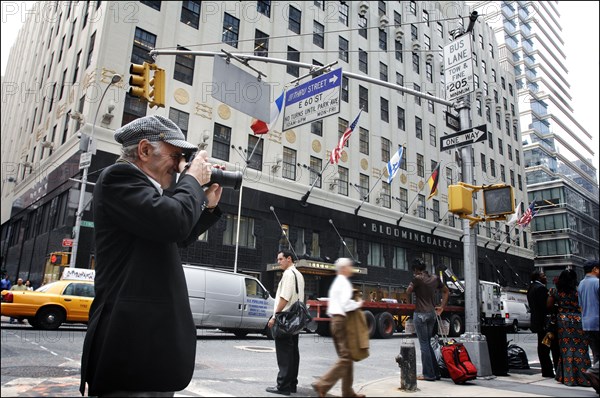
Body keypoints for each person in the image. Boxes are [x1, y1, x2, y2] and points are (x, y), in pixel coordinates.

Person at [79, 115, 223, 397]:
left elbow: (177, 235)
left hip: (148, 349)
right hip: (131, 347)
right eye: (176, 155)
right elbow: (173, 222)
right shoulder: (118, 179)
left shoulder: (150, 193)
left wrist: (206, 205)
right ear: (145, 150)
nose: (180, 165)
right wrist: (192, 180)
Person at [312, 258, 365, 398]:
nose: (350, 269)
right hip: (341, 321)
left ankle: (347, 391)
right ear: (343, 269)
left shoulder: (336, 282)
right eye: (349, 267)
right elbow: (345, 304)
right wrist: (358, 304)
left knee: (346, 357)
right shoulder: (344, 283)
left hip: (334, 321)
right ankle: (322, 384)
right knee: (347, 357)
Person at [266, 250, 305, 396]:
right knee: (293, 352)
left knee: (284, 354)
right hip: (295, 319)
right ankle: (292, 384)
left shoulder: (289, 274)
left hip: (285, 319)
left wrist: (274, 316)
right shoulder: (299, 274)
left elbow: (284, 298)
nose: (278, 262)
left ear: (289, 259)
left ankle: (283, 386)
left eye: (281, 259)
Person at [406, 259, 449, 382]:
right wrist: (442, 307)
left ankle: (428, 374)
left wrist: (413, 280)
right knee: (428, 344)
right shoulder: (435, 278)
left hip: (420, 314)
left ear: (415, 270)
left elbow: (408, 291)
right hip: (432, 314)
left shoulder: (417, 279)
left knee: (424, 344)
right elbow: (446, 291)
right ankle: (436, 373)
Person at [548, 269, 591, 387]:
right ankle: (584, 377)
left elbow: (549, 305)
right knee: (581, 349)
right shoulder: (578, 292)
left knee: (566, 349)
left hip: (563, 321)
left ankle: (568, 377)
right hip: (579, 321)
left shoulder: (555, 291)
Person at [527, 270, 560, 378]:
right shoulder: (540, 289)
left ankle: (546, 370)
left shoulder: (531, 288)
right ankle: (549, 370)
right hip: (544, 324)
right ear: (538, 278)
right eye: (543, 276)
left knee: (542, 347)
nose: (546, 277)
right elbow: (545, 307)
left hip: (538, 322)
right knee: (548, 347)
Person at [578, 259, 599, 392]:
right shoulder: (597, 283)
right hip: (598, 321)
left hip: (586, 323)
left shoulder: (581, 284)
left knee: (597, 354)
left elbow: (580, 306)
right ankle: (593, 371)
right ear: (595, 269)